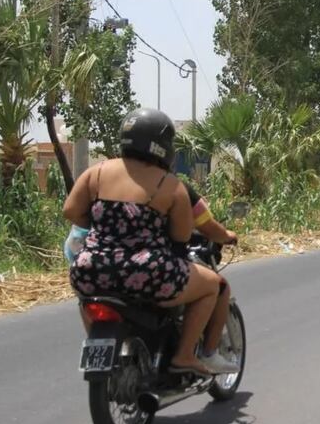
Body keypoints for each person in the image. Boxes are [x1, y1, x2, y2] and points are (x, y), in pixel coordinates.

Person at [63, 108, 238, 376]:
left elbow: (71, 212)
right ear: (163, 146)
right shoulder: (170, 185)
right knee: (213, 285)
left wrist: (105, 228)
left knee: (88, 298)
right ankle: (184, 356)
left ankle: (103, 347)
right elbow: (180, 236)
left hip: (91, 269)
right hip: (148, 273)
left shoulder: (96, 172)